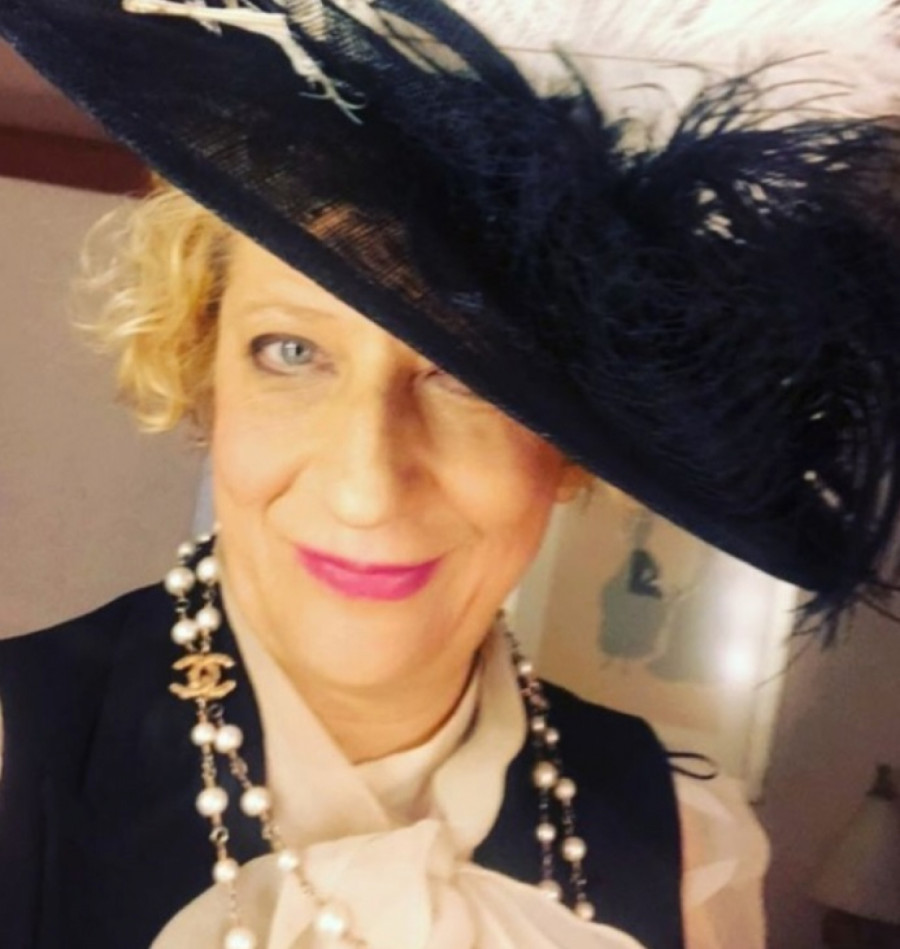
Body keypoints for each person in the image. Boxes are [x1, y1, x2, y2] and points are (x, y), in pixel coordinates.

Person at [1, 1, 899, 948]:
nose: (367, 487)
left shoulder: (690, 845)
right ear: (204, 375)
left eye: (469, 377)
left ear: (568, 448)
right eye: (292, 350)